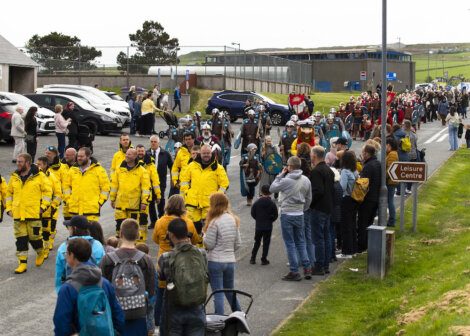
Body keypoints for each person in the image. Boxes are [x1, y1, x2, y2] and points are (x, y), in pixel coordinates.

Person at [53, 238, 124, 336]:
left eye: (66, 253)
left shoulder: (68, 288)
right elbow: (118, 313)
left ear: (72, 255)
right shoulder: (104, 283)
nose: (65, 256)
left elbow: (61, 321)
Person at [100, 218, 156, 336]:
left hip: (116, 313)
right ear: (138, 235)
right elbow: (151, 292)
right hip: (139, 312)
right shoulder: (146, 259)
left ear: (120, 234)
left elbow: (102, 289)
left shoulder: (108, 259)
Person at [152, 195, 199, 332]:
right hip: (182, 263)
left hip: (163, 260)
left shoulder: (160, 222)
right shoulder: (187, 223)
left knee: (161, 293)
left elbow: (155, 238)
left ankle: (158, 323)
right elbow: (195, 240)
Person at [158, 218, 207, 336]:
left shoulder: (166, 257)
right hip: (197, 305)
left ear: (171, 235)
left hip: (175, 307)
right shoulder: (202, 254)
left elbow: (161, 277)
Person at [6, 153, 52, 274]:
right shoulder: (14, 176)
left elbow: (48, 192)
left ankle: (40, 252)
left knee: (34, 238)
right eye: (17, 162)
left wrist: (43, 207)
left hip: (33, 214)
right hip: (17, 214)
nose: (18, 164)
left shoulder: (39, 176)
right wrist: (9, 208)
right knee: (20, 239)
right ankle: (22, 264)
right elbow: (9, 193)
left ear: (27, 163)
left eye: (20, 162)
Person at [270, 156, 312, 281]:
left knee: (290, 243)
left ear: (290, 167)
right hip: (299, 212)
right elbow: (309, 198)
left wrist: (280, 175)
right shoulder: (306, 180)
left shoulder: (286, 180)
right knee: (301, 241)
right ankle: (307, 267)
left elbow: (272, 188)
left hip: (287, 213)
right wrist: (303, 209)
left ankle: (294, 271)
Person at [180, 145, 230, 239]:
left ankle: (204, 249)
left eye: (208, 153)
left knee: (207, 229)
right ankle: (195, 248)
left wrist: (217, 197)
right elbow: (184, 180)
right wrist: (187, 192)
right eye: (204, 153)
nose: (206, 155)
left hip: (209, 203)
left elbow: (225, 184)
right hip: (193, 202)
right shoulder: (192, 165)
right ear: (200, 154)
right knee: (192, 228)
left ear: (211, 153)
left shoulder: (218, 168)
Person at [203, 193, 241, 315]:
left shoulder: (214, 222)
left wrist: (203, 236)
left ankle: (219, 318)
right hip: (230, 260)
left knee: (217, 292)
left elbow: (209, 244)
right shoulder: (233, 219)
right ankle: (239, 314)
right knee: (230, 290)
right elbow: (238, 243)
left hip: (216, 261)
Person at [55, 215, 105, 292]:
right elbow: (103, 269)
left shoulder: (64, 247)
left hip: (72, 290)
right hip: (95, 290)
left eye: (69, 227)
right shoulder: (97, 245)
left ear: (74, 228)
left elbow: (59, 276)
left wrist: (61, 292)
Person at [110, 148, 151, 238]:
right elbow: (114, 186)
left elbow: (145, 188)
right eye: (126, 154)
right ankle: (120, 247)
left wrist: (144, 202)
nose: (126, 156)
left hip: (134, 206)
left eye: (129, 154)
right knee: (119, 228)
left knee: (132, 229)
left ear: (135, 156)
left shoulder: (142, 171)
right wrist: (112, 199)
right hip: (120, 205)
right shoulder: (119, 170)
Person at [62, 147, 110, 222]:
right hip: (75, 210)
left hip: (91, 211)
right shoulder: (72, 170)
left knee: (89, 233)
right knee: (76, 233)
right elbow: (66, 186)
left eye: (81, 156)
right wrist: (68, 200)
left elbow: (106, 188)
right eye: (78, 156)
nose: (79, 158)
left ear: (88, 156)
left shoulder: (99, 170)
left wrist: (100, 203)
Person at [309, 146, 334, 275]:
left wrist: (310, 204)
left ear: (314, 156)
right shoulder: (329, 170)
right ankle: (326, 265)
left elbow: (318, 191)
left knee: (318, 238)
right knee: (326, 236)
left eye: (311, 155)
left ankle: (319, 266)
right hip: (328, 207)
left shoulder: (316, 171)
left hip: (318, 208)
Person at [357, 144, 381, 252]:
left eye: (363, 153)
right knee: (370, 222)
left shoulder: (368, 166)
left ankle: (362, 246)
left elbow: (362, 185)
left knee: (363, 223)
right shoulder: (378, 164)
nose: (362, 155)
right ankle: (368, 244)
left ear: (366, 154)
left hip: (367, 199)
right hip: (375, 197)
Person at [36, 156, 62, 259]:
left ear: (45, 165)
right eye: (36, 164)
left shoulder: (52, 177)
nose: (37, 166)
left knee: (46, 232)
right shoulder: (34, 176)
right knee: (37, 232)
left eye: (39, 164)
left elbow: (58, 194)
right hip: (35, 209)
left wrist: (53, 206)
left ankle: (45, 250)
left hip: (47, 210)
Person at [135, 144, 161, 241]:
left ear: (145, 152)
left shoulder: (151, 164)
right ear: (136, 151)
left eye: (142, 151)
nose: (140, 153)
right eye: (139, 151)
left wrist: (158, 195)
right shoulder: (132, 163)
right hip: (133, 196)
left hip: (145, 197)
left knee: (143, 219)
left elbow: (155, 181)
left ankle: (141, 240)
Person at [147, 135, 173, 228]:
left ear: (158, 143)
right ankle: (153, 221)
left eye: (155, 142)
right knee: (150, 202)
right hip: (149, 182)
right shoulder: (146, 154)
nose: (153, 143)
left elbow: (172, 167)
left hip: (161, 181)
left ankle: (161, 218)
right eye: (152, 142)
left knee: (161, 200)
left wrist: (174, 179)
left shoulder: (165, 153)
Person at [337, 151, 359, 259]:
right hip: (354, 199)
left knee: (345, 226)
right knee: (352, 225)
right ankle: (353, 249)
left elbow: (342, 187)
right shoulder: (355, 171)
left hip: (346, 199)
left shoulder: (345, 171)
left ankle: (346, 251)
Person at [250, 185, 278, 265]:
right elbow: (275, 215)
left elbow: (253, 213)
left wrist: (258, 219)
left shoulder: (257, 203)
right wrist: (271, 220)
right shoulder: (272, 203)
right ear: (270, 192)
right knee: (266, 243)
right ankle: (263, 259)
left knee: (257, 242)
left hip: (259, 225)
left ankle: (253, 258)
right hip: (268, 226)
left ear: (261, 192)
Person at [385, 137, 399, 227]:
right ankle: (391, 220)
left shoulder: (392, 154)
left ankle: (392, 220)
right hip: (390, 181)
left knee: (390, 201)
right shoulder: (390, 153)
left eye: (385, 145)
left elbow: (390, 169)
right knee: (389, 200)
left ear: (389, 145)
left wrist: (383, 178)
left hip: (390, 182)